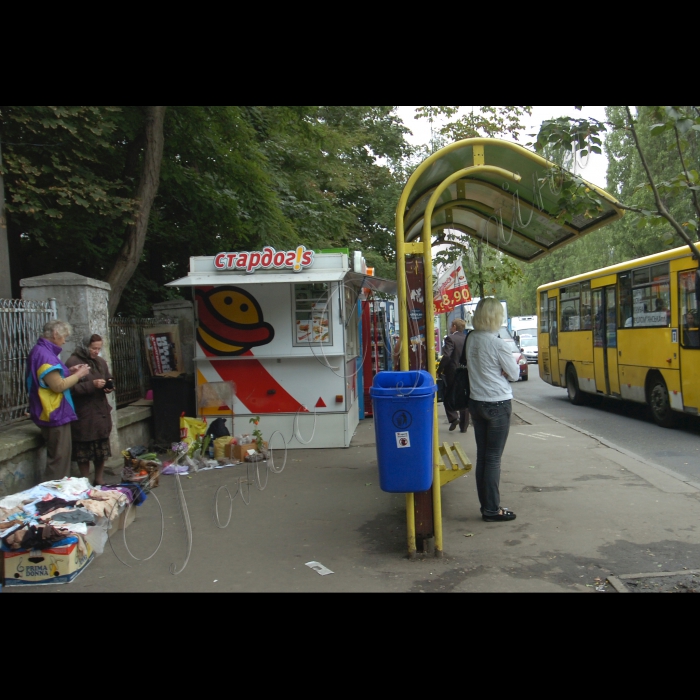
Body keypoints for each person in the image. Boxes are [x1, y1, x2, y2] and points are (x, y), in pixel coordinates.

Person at [466, 298, 520, 522]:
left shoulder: (471, 338)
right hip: (498, 403)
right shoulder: (498, 344)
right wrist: (504, 371)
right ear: (495, 317)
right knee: (494, 458)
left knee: (483, 457)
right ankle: (491, 510)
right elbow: (515, 374)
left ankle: (487, 505)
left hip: (476, 402)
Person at [26, 320, 90, 481]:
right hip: (54, 412)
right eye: (64, 337)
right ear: (55, 334)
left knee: (60, 458)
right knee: (59, 461)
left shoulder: (41, 352)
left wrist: (68, 371)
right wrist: (78, 375)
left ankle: (56, 495)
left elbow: (49, 379)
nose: (64, 341)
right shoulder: (45, 355)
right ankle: (52, 498)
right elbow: (57, 386)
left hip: (52, 411)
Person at [66, 334, 115, 486]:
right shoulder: (73, 362)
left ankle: (99, 478)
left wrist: (109, 385)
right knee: (84, 451)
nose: (96, 351)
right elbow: (69, 388)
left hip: (100, 412)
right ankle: (84, 480)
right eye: (93, 348)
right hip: (84, 413)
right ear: (85, 346)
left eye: (98, 349)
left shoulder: (100, 362)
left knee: (101, 449)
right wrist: (91, 385)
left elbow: (108, 377)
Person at [437, 318, 470, 433]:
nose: (450, 328)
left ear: (455, 326)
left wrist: (440, 369)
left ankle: (453, 417)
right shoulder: (467, 338)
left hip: (452, 372)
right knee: (464, 396)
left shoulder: (450, 339)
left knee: (447, 395)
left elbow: (446, 356)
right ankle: (464, 426)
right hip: (465, 371)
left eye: (451, 326)